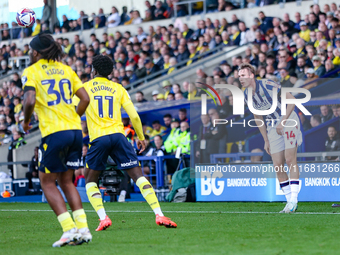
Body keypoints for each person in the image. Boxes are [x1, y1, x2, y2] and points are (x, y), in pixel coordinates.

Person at [83, 55, 177, 231]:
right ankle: (159, 214)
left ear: (93, 70)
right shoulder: (119, 89)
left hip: (98, 138)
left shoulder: (84, 88)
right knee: (138, 175)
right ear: (111, 72)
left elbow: (73, 110)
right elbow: (133, 115)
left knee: (90, 180)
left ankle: (103, 218)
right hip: (119, 136)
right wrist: (141, 137)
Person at [22, 34, 92, 247]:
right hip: (74, 131)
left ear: (35, 52)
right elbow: (85, 99)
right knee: (66, 181)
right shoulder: (66, 69)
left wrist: (25, 122)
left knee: (46, 182)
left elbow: (30, 99)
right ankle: (83, 229)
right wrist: (74, 116)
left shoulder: (32, 71)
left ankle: (69, 229)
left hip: (54, 132)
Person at [238, 63, 303, 213]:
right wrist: (266, 139)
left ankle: (294, 199)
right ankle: (288, 202)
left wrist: (283, 121)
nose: (240, 78)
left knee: (289, 159)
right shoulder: (246, 95)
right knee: (277, 165)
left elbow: (292, 100)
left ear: (252, 75)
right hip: (272, 125)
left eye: (243, 75)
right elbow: (257, 116)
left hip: (288, 119)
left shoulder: (267, 84)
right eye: (239, 76)